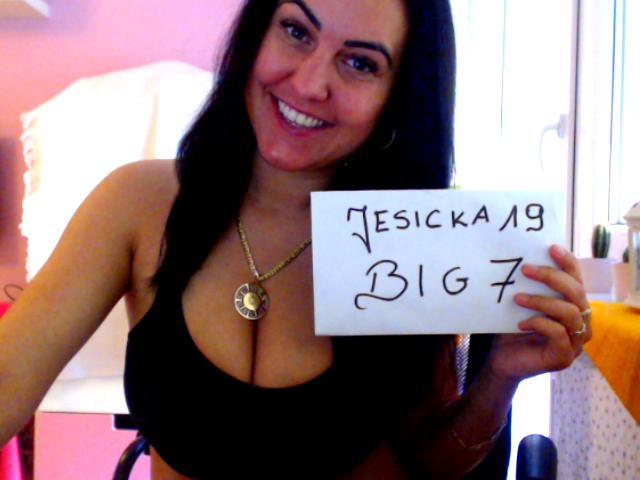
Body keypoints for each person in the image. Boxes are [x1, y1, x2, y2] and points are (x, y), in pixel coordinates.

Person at [0, 0, 591, 478]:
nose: (309, 83)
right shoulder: (138, 204)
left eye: (360, 63)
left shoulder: (408, 238)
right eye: (296, 31)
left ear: (399, 94)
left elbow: (431, 464)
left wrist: (500, 378)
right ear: (257, 32)